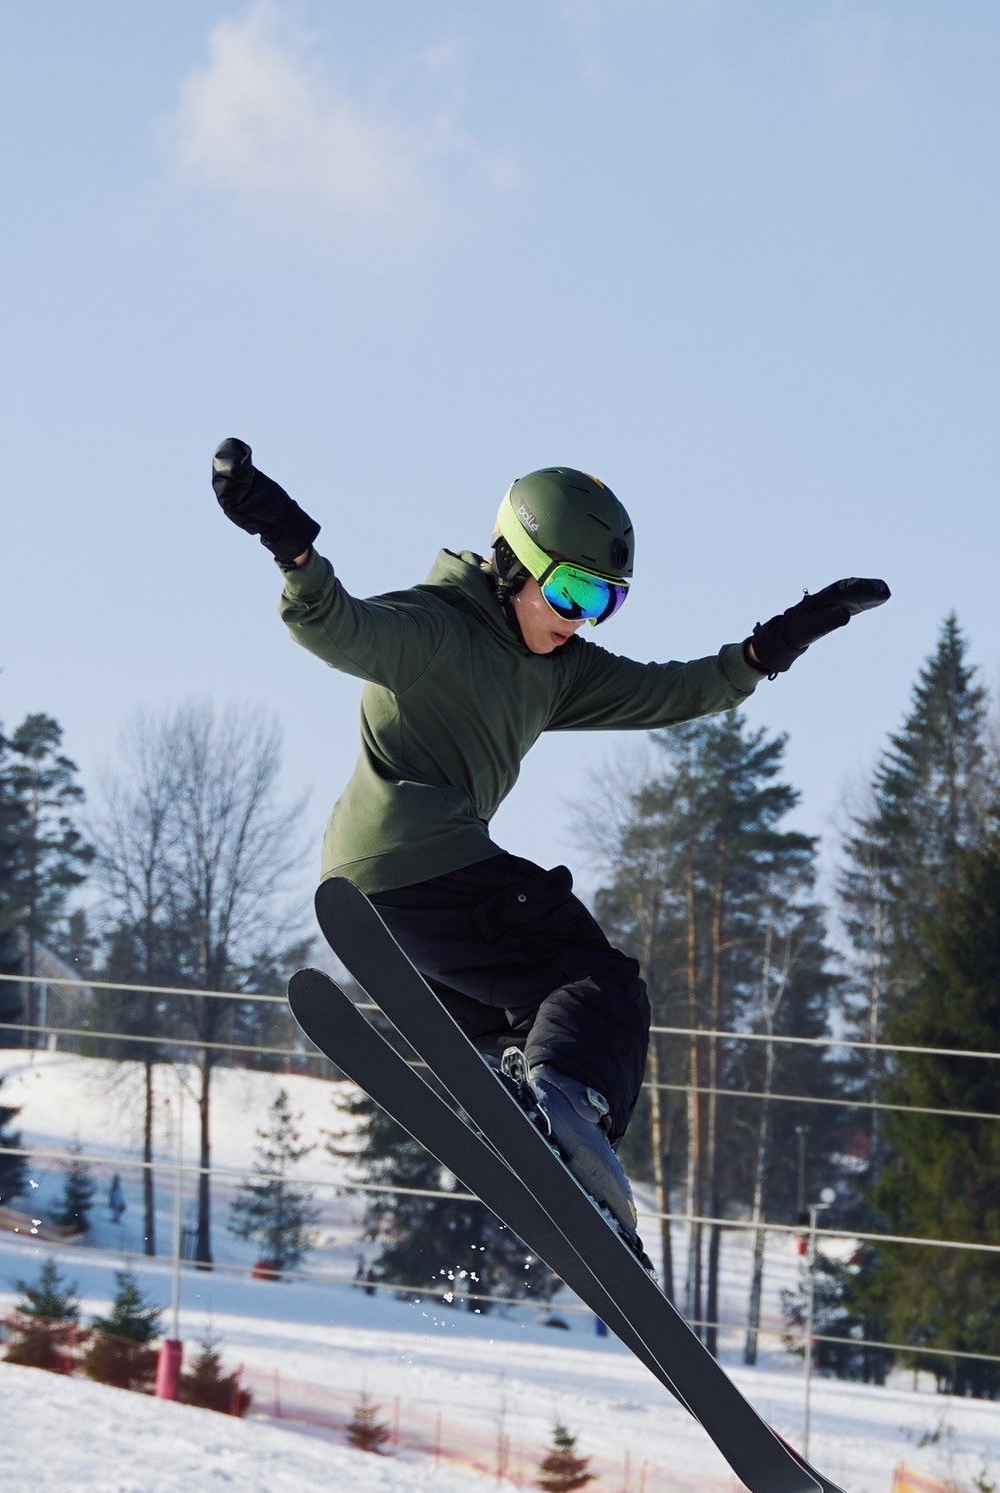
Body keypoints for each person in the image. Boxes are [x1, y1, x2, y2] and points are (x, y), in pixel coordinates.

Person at [211, 442, 887, 1261]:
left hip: (403, 905)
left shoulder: (557, 669)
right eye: (570, 591)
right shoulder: (434, 628)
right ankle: (567, 1113)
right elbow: (337, 624)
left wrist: (777, 643)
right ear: (513, 565)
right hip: (414, 861)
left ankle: (545, 1121)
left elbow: (672, 690)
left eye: (604, 601)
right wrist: (291, 547)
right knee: (598, 982)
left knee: (541, 1019)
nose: (579, 618)